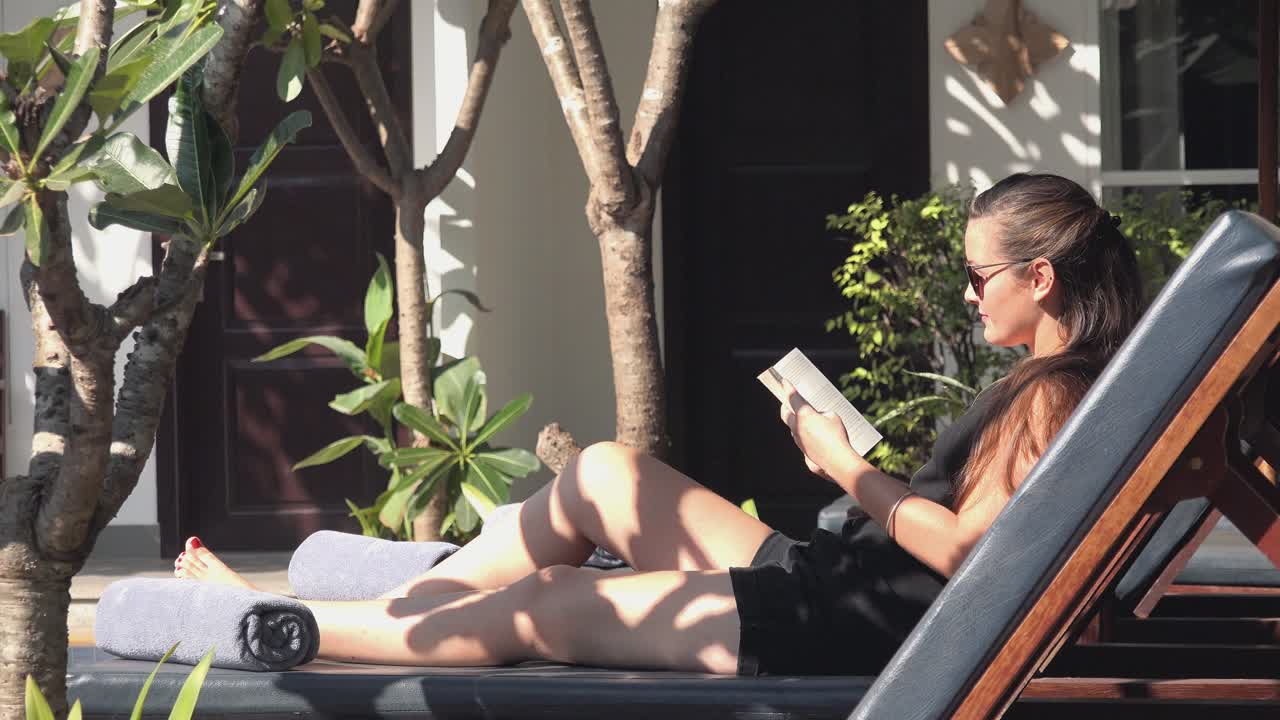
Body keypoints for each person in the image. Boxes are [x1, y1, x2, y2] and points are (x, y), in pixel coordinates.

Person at [174, 172, 1145, 676]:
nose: (968, 294)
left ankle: (292, 626)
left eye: (977, 276)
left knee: (544, 603)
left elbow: (973, 555)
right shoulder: (1049, 383)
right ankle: (398, 612)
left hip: (845, 624)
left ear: (1038, 277)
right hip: (839, 577)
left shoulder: (1050, 394)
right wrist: (848, 469)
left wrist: (848, 469)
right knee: (607, 472)